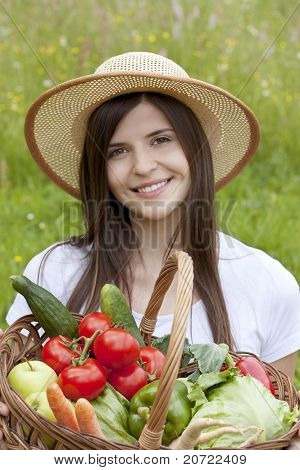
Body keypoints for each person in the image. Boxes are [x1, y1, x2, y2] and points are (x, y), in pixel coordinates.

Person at [0, 51, 299, 449]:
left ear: (195, 149)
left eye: (161, 140)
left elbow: (276, 423)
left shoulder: (267, 282)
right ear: (98, 169)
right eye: (117, 150)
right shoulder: (54, 272)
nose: (142, 166)